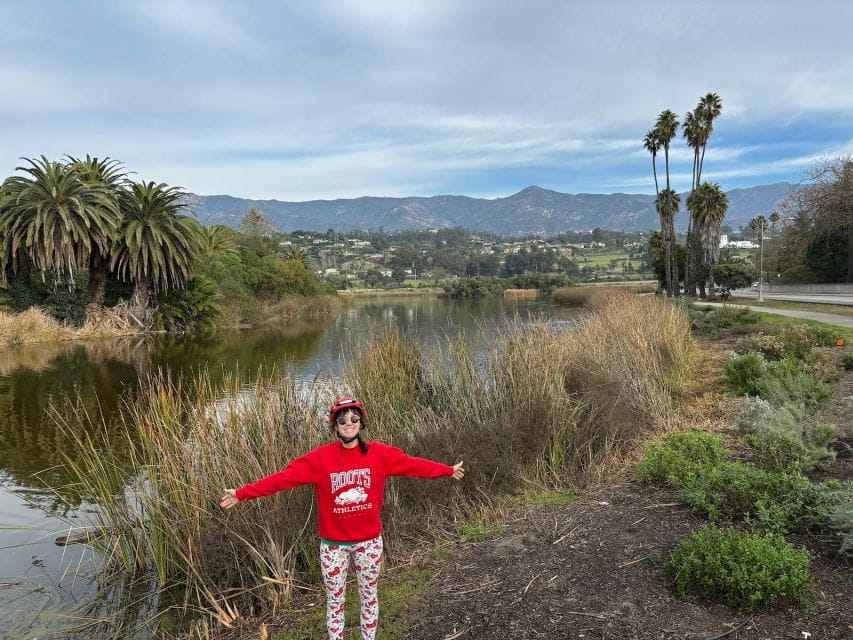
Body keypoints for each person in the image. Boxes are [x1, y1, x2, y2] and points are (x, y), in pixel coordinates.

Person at [220, 396, 464, 640]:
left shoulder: (380, 454)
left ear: (361, 422)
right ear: (335, 426)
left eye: (355, 418)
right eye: (343, 419)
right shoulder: (319, 459)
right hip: (333, 546)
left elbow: (413, 465)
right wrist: (242, 493)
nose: (350, 422)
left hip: (368, 543)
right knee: (335, 602)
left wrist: (447, 470)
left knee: (369, 596)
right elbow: (283, 479)